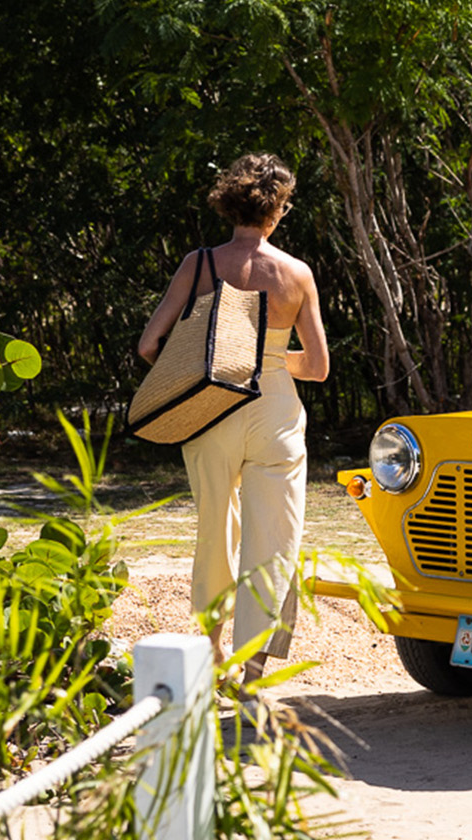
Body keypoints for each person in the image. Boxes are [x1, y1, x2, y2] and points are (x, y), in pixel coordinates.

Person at [137, 153, 330, 682]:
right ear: (279, 209)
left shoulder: (198, 264)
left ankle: (212, 650)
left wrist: (203, 362)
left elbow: (150, 343)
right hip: (275, 410)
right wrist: (268, 358)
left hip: (211, 409)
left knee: (215, 529)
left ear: (231, 203)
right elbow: (316, 367)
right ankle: (254, 670)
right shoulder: (296, 273)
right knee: (274, 538)